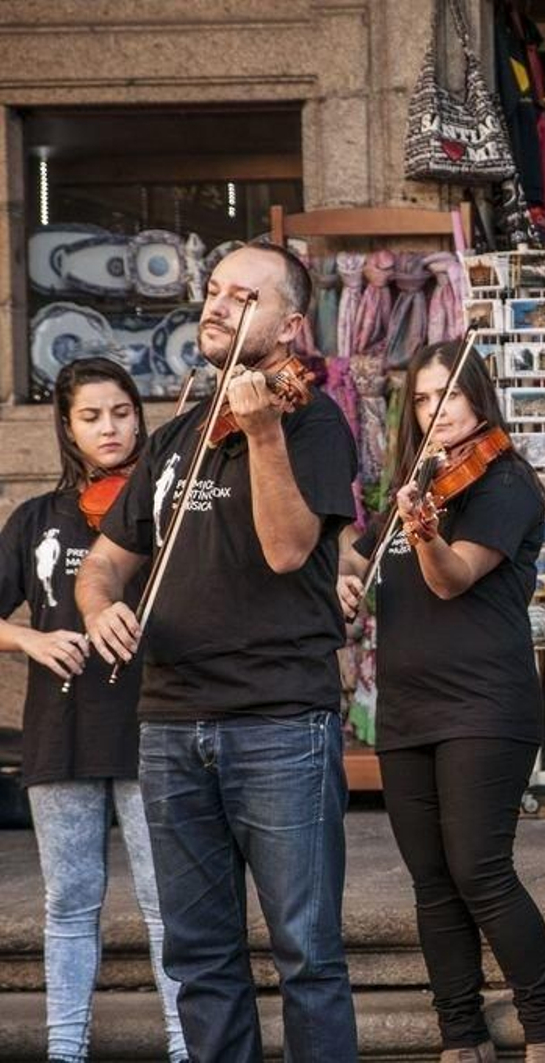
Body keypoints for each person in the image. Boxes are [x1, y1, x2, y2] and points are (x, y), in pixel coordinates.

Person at [76, 245, 360, 1062]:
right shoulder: (177, 437)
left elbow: (287, 549)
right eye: (213, 291)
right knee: (198, 954)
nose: (218, 305)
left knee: (306, 951)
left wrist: (264, 432)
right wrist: (99, 609)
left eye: (243, 296)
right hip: (170, 720)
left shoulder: (312, 423)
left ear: (290, 325)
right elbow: (104, 563)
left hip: (278, 719)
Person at [337, 341, 545, 1063]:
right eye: (422, 398)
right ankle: (460, 1035)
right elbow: (358, 554)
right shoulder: (418, 484)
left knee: (479, 869)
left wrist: (426, 534)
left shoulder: (506, 483)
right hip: (407, 707)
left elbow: (450, 578)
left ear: (479, 397)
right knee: (433, 882)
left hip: (484, 705)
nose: (435, 411)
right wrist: (342, 568)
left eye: (450, 395)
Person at [0, 358, 187, 1063]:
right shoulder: (35, 519)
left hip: (153, 721)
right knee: (69, 902)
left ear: (140, 416)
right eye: (90, 416)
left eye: (121, 412)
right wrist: (31, 638)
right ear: (67, 427)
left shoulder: (166, 510)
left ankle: (185, 1045)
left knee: (166, 902)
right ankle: (65, 1049)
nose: (109, 428)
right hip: (63, 727)